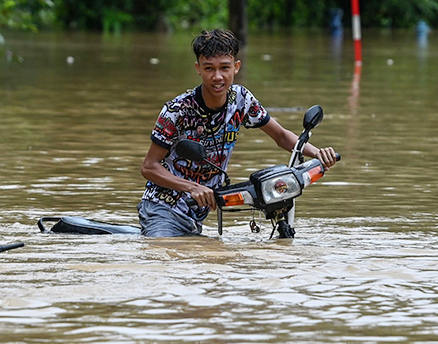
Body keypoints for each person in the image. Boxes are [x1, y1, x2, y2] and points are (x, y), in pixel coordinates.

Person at [138, 29, 336, 237]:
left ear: (236, 67)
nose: (217, 77)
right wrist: (192, 187)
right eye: (209, 68)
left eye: (225, 68)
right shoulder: (177, 110)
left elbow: (280, 135)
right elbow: (149, 167)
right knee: (164, 258)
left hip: (196, 213)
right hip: (162, 210)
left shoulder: (242, 99)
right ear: (198, 69)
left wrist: (318, 153)